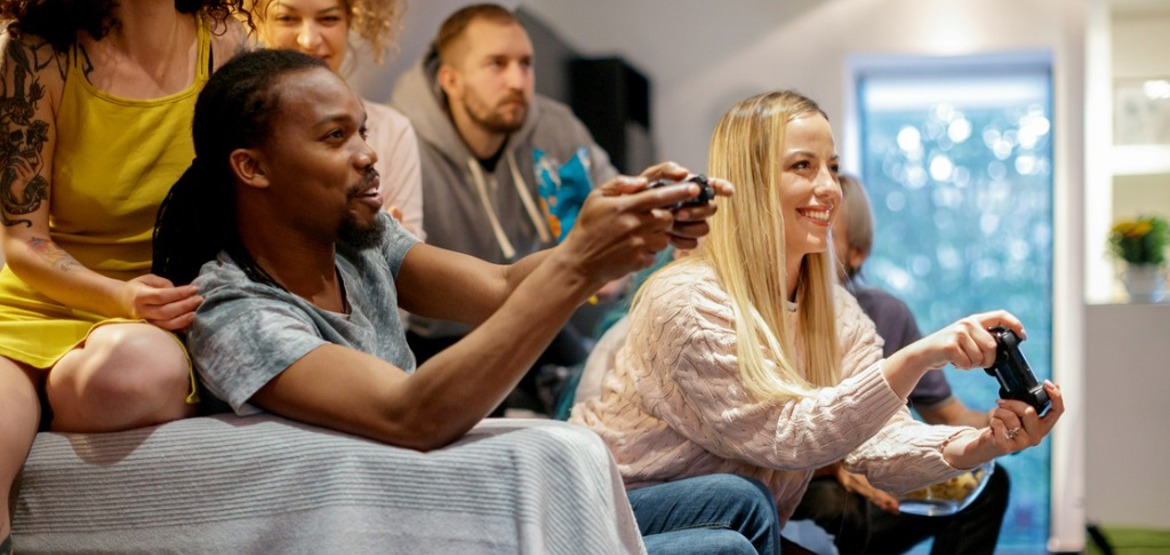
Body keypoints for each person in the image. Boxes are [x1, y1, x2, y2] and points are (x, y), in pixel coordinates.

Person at [152, 47, 779, 554]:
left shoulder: (362, 246)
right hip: (403, 526)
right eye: (335, 136)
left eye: (362, 130)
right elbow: (410, 416)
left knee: (740, 501)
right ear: (251, 168)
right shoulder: (233, 311)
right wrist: (580, 260)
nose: (369, 154)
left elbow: (503, 288)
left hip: (440, 491)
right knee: (722, 547)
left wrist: (624, 232)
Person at [570, 91, 1064, 545]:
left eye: (832, 166)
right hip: (612, 511)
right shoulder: (688, 300)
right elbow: (787, 435)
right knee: (741, 501)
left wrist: (981, 445)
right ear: (750, 182)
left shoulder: (834, 309)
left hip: (733, 523)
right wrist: (919, 356)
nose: (829, 187)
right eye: (803, 166)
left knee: (735, 524)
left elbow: (880, 446)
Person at [0, 0, 248, 550]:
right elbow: (23, 240)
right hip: (38, 302)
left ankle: (57, 400)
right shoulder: (37, 54)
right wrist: (119, 296)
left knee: (128, 375)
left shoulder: (225, 44)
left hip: (160, 307)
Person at [390, 3, 617, 414]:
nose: (517, 81)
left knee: (603, 396)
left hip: (535, 315)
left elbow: (609, 199)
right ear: (451, 80)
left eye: (526, 64)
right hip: (438, 333)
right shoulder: (401, 140)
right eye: (497, 64)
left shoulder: (555, 126)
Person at [789, 174, 1011, 554]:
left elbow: (948, 416)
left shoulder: (885, 314)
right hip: (808, 485)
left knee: (990, 481)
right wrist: (836, 466)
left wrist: (1003, 425)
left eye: (827, 231)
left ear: (857, 251)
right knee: (839, 509)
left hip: (871, 474)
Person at [252, 0, 423, 237]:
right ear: (258, 23)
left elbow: (409, 248)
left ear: (350, 22)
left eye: (328, 19)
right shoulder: (243, 129)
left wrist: (398, 249)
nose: (309, 40)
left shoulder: (392, 130)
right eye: (287, 19)